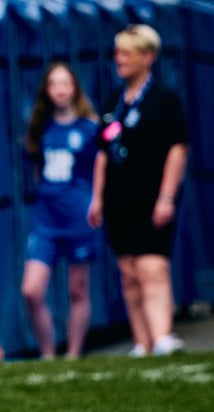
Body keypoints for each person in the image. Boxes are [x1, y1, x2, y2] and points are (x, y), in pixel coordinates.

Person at [89, 25, 189, 356]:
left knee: (152, 267)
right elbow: (103, 153)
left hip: (151, 197)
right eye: (117, 53)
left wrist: (166, 197)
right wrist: (97, 198)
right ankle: (142, 342)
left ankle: (162, 336)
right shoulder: (113, 101)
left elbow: (177, 148)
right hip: (119, 200)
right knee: (129, 272)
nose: (119, 59)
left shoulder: (164, 99)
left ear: (148, 57)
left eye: (126, 53)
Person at [19, 65, 101, 359]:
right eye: (54, 84)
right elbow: (36, 167)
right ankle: (48, 352)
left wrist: (96, 200)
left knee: (78, 289)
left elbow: (100, 166)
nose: (60, 89)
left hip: (79, 217)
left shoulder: (90, 128)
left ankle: (74, 354)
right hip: (46, 221)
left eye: (65, 83)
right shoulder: (40, 128)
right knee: (31, 290)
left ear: (75, 87)